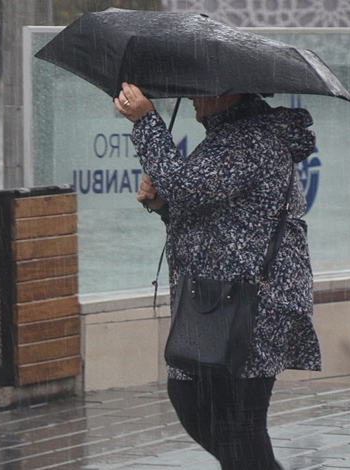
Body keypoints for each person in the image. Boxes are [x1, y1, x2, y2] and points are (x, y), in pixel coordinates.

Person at [114, 83, 322, 470]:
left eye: (199, 90)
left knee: (238, 422)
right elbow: (209, 214)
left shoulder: (248, 141)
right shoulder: (230, 137)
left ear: (229, 93)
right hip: (219, 301)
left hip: (255, 302)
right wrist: (163, 205)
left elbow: (190, 189)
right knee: (198, 401)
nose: (191, 97)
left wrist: (145, 121)